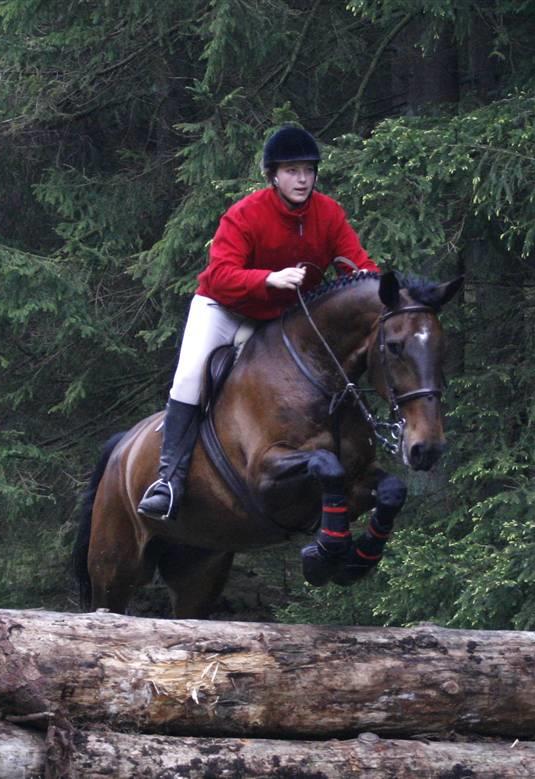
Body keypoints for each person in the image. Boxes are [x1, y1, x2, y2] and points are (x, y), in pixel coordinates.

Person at [137, 125, 379, 521]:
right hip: (223, 308)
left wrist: (383, 291)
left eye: (308, 171)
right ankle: (169, 480)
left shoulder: (328, 214)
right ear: (273, 176)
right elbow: (219, 275)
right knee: (190, 377)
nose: (302, 179)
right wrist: (267, 278)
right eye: (291, 170)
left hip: (277, 320)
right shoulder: (246, 214)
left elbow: (357, 265)